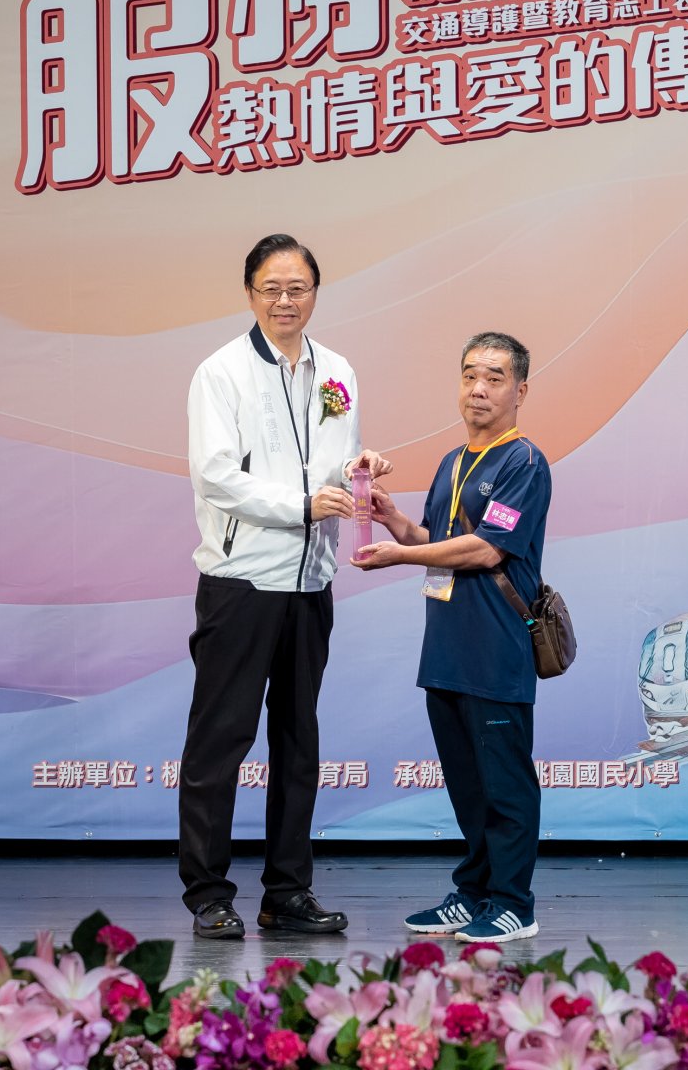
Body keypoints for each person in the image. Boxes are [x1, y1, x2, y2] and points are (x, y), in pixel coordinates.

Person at [179, 232, 391, 940]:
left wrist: (357, 470)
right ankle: (209, 893)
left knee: (299, 743)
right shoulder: (221, 372)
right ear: (250, 294)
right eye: (271, 289)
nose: (284, 301)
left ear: (315, 294)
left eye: (297, 288)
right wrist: (300, 505)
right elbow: (215, 475)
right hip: (242, 581)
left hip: (310, 580)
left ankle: (287, 891)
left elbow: (330, 464)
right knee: (221, 742)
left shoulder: (338, 371)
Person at [353, 331, 552, 944]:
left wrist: (399, 557)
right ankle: (474, 892)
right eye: (469, 376)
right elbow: (436, 542)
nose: (478, 389)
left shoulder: (524, 462)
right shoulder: (452, 462)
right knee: (467, 784)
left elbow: (487, 548)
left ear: (520, 390)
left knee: (505, 783)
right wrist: (395, 522)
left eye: (494, 377)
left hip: (496, 647)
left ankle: (514, 903)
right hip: (446, 648)